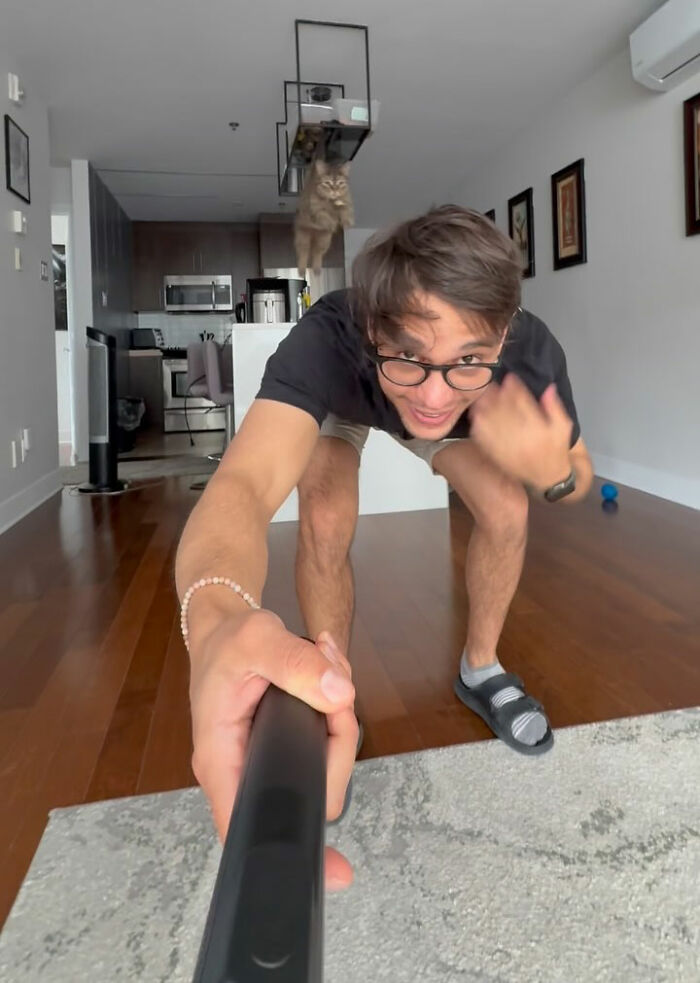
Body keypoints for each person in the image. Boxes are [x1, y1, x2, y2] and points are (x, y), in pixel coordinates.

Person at [175, 205, 593, 890]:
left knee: (507, 505)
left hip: (459, 409)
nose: (432, 392)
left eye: (468, 358)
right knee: (327, 512)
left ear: (503, 335)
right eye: (408, 356)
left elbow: (575, 474)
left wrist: (553, 471)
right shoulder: (327, 338)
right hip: (348, 401)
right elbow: (244, 485)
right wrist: (215, 617)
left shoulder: (526, 348)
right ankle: (329, 686)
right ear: (370, 327)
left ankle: (481, 671)